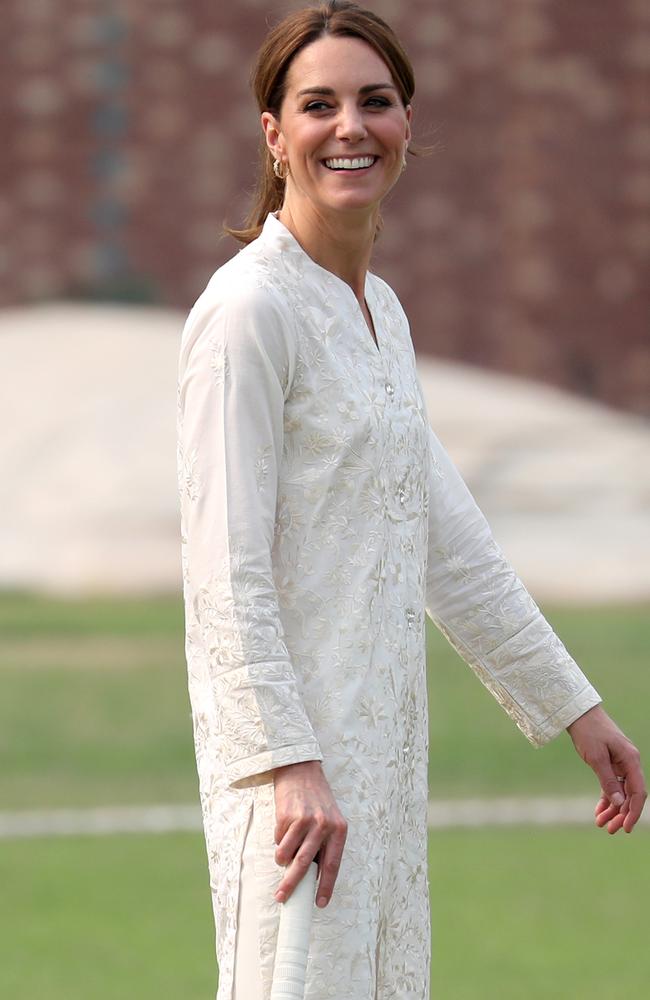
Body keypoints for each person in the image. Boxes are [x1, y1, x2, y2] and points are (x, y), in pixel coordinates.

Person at [176, 3, 647, 998]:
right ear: (273, 133)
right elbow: (223, 570)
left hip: (382, 772)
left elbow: (445, 537)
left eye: (374, 102)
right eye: (317, 105)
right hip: (292, 790)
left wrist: (575, 706)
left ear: (405, 124)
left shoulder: (379, 312)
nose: (349, 127)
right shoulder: (247, 312)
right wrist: (288, 762)